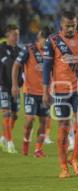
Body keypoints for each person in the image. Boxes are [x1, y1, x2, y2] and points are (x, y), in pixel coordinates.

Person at [42, 11, 78, 178]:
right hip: (60, 90)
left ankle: (75, 158)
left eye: (74, 25)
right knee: (64, 128)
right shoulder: (52, 40)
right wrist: (45, 91)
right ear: (61, 25)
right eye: (68, 25)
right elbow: (46, 67)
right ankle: (63, 166)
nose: (71, 28)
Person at [11, 27, 53, 157]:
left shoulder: (52, 51)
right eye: (45, 41)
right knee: (29, 119)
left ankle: (38, 150)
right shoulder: (28, 49)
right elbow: (16, 66)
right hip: (30, 92)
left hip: (46, 92)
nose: (46, 44)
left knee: (44, 122)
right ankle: (25, 144)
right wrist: (14, 85)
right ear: (39, 37)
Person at [0, 24, 22, 153]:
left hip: (16, 87)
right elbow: (8, 63)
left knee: (14, 115)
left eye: (18, 34)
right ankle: (10, 142)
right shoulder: (2, 48)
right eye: (14, 34)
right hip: (4, 85)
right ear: (8, 34)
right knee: (6, 113)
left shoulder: (19, 50)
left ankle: (3, 137)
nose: (16, 37)